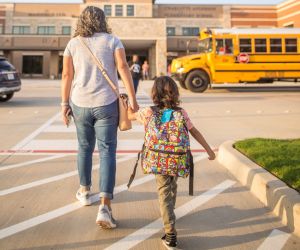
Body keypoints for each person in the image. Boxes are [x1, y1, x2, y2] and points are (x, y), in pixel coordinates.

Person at [61, 6, 138, 229]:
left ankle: (84, 191)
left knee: (84, 147)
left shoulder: (73, 43)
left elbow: (67, 75)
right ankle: (104, 206)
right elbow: (123, 67)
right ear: (103, 20)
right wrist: (132, 99)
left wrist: (64, 104)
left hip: (80, 103)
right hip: (106, 104)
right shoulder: (113, 40)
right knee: (107, 152)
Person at [128, 76, 216, 249]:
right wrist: (209, 150)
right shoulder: (181, 113)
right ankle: (170, 215)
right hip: (176, 159)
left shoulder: (148, 112)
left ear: (155, 93)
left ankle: (170, 233)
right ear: (175, 93)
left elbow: (129, 116)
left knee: (164, 192)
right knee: (172, 186)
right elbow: (194, 131)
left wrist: (125, 105)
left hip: (158, 160)